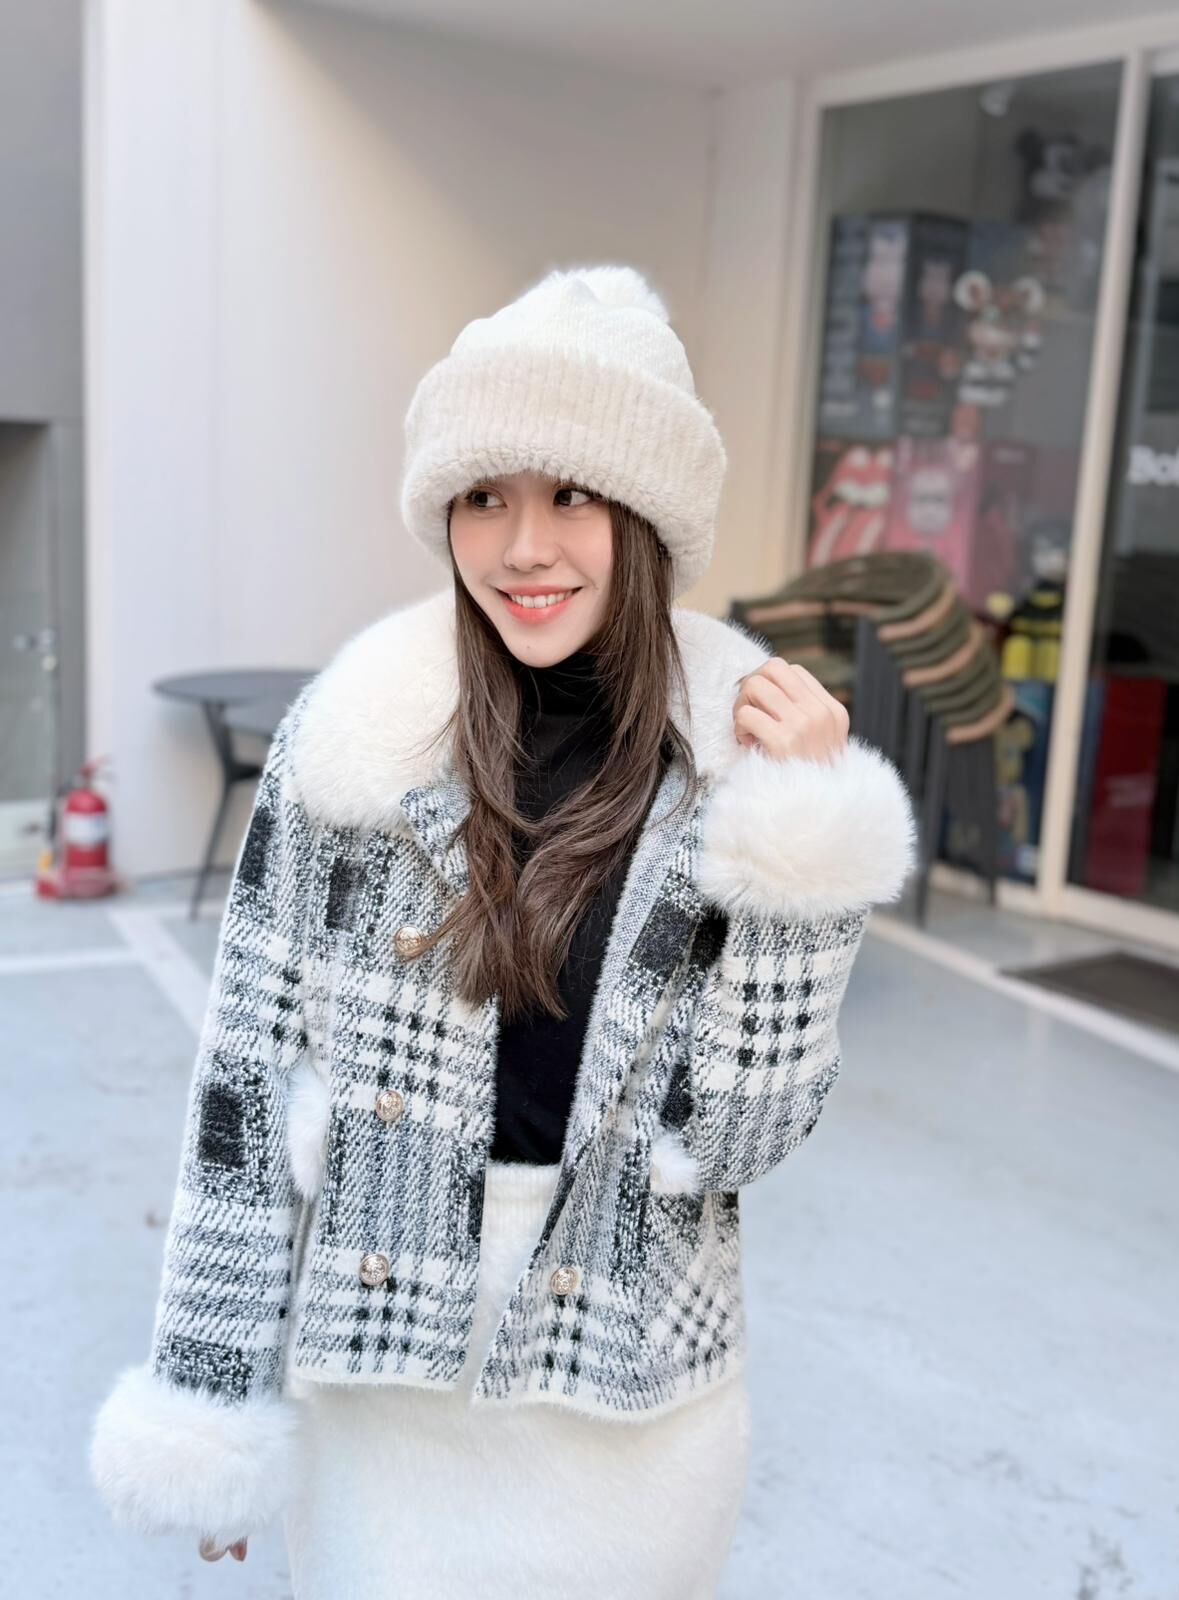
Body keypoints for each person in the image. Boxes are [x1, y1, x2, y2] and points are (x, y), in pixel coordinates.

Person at [87, 263, 917, 1597]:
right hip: (381, 1392)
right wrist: (214, 1393)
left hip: (631, 1402)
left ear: (649, 510)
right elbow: (243, 1089)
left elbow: (736, 1141)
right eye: (485, 495)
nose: (524, 546)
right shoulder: (355, 743)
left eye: (573, 492)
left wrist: (807, 840)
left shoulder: (738, 753)